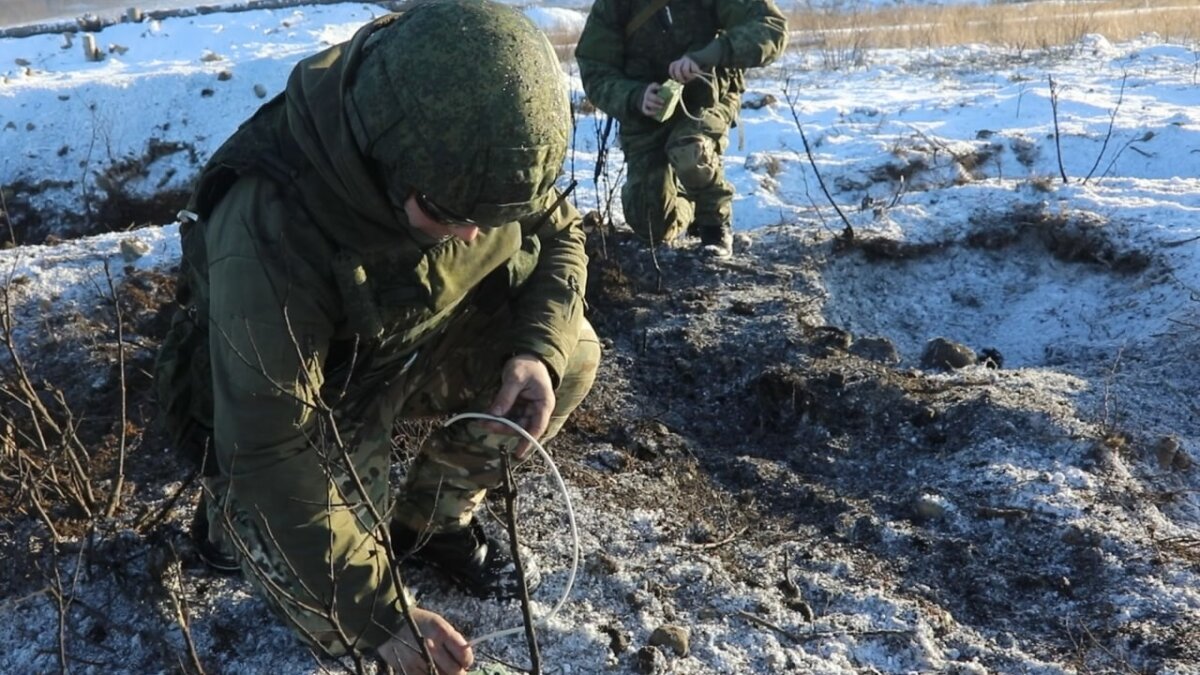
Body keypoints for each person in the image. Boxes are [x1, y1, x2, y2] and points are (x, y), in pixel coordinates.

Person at [153, 1, 600, 673]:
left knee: (573, 355)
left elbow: (558, 232)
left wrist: (537, 350)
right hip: (309, 403)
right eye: (453, 214)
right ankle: (226, 523)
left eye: (490, 215)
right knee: (330, 617)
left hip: (408, 345)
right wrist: (380, 614)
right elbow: (269, 440)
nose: (476, 234)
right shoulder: (273, 222)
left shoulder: (477, 139)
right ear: (389, 159)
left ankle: (430, 522)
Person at [575, 0, 788, 258]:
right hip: (647, 113)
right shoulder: (614, 5)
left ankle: (714, 226)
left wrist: (711, 54)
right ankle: (686, 197)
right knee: (652, 225)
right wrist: (633, 96)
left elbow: (771, 27)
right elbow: (595, 67)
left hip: (707, 99)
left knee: (689, 149)